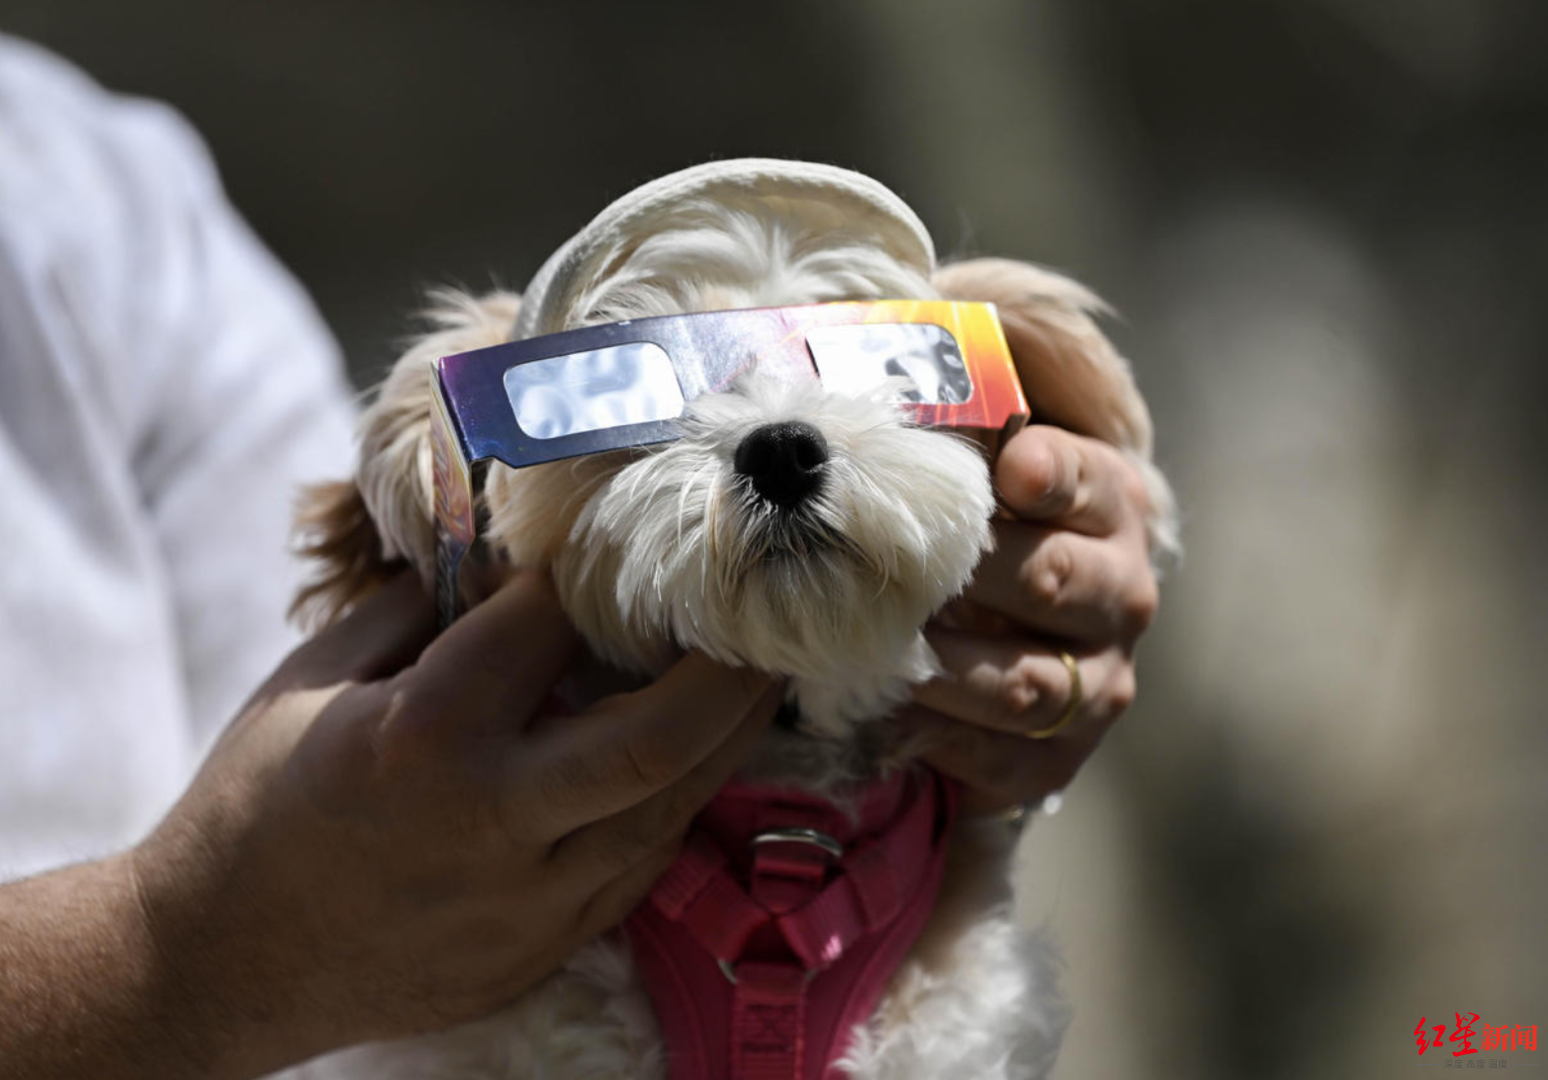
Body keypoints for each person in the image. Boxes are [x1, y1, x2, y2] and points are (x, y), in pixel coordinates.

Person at [0, 36, 1161, 1080]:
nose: (781, 433)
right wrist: (180, 956)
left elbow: (299, 698)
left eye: (884, 375)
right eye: (639, 410)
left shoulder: (101, 200)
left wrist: (1045, 626)